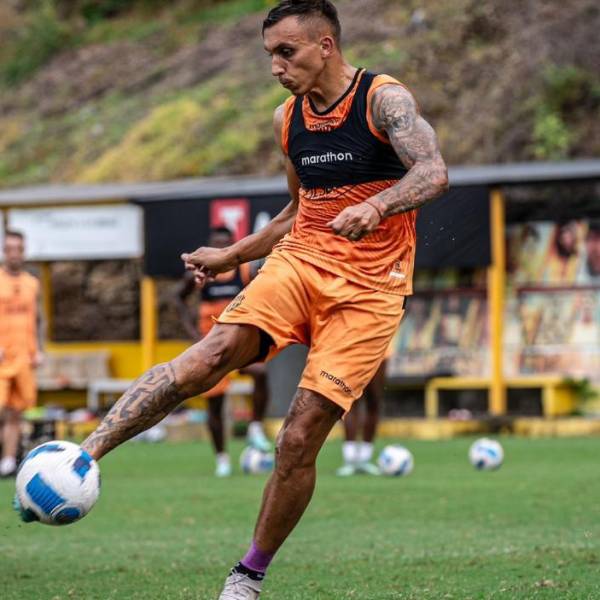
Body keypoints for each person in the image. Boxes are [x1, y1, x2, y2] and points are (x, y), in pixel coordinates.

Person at [58, 1, 447, 597]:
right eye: (269, 55)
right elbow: (296, 210)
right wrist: (232, 255)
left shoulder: (383, 100)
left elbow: (433, 172)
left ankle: (248, 574)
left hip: (371, 290)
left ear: (325, 45)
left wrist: (377, 205)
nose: (275, 67)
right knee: (209, 356)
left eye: (286, 52)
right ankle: (80, 458)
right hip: (300, 263)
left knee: (298, 436)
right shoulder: (286, 119)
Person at [175, 226, 271, 477]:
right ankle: (222, 459)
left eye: (224, 244)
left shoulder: (244, 270)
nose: (220, 248)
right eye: (216, 244)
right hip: (211, 347)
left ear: (231, 246)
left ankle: (255, 427)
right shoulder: (202, 272)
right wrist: (192, 333)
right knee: (215, 404)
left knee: (260, 373)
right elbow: (179, 298)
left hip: (239, 341)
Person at [0, 231, 44, 478]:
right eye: (10, 249)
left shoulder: (32, 283)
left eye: (18, 249)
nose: (14, 254)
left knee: (16, 412)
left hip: (24, 358)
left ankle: (7, 462)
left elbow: (38, 320)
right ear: (4, 252)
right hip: (2, 358)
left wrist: (38, 350)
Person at [336, 358, 387, 476]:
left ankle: (364, 458)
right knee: (351, 402)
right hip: (355, 354)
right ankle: (350, 459)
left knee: (373, 402)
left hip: (379, 354)